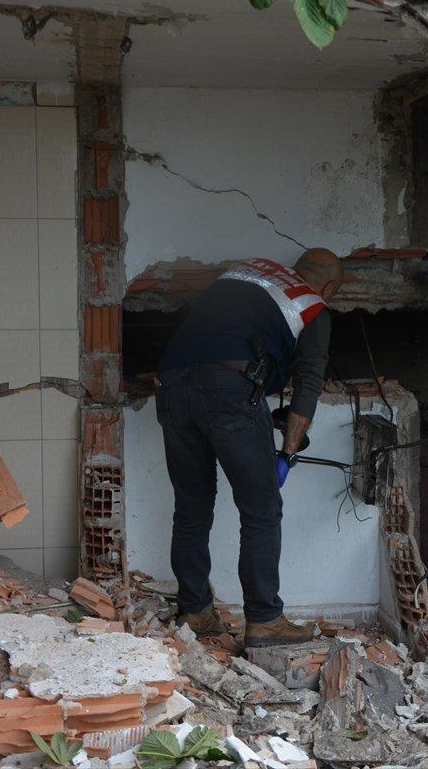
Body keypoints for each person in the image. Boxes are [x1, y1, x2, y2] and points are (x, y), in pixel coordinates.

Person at [154, 248, 343, 647]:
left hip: (172, 387)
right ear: (327, 286)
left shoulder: (241, 273)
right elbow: (308, 385)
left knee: (191, 506)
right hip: (229, 392)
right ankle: (264, 620)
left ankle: (196, 612)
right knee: (261, 509)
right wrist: (288, 453)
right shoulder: (312, 305)